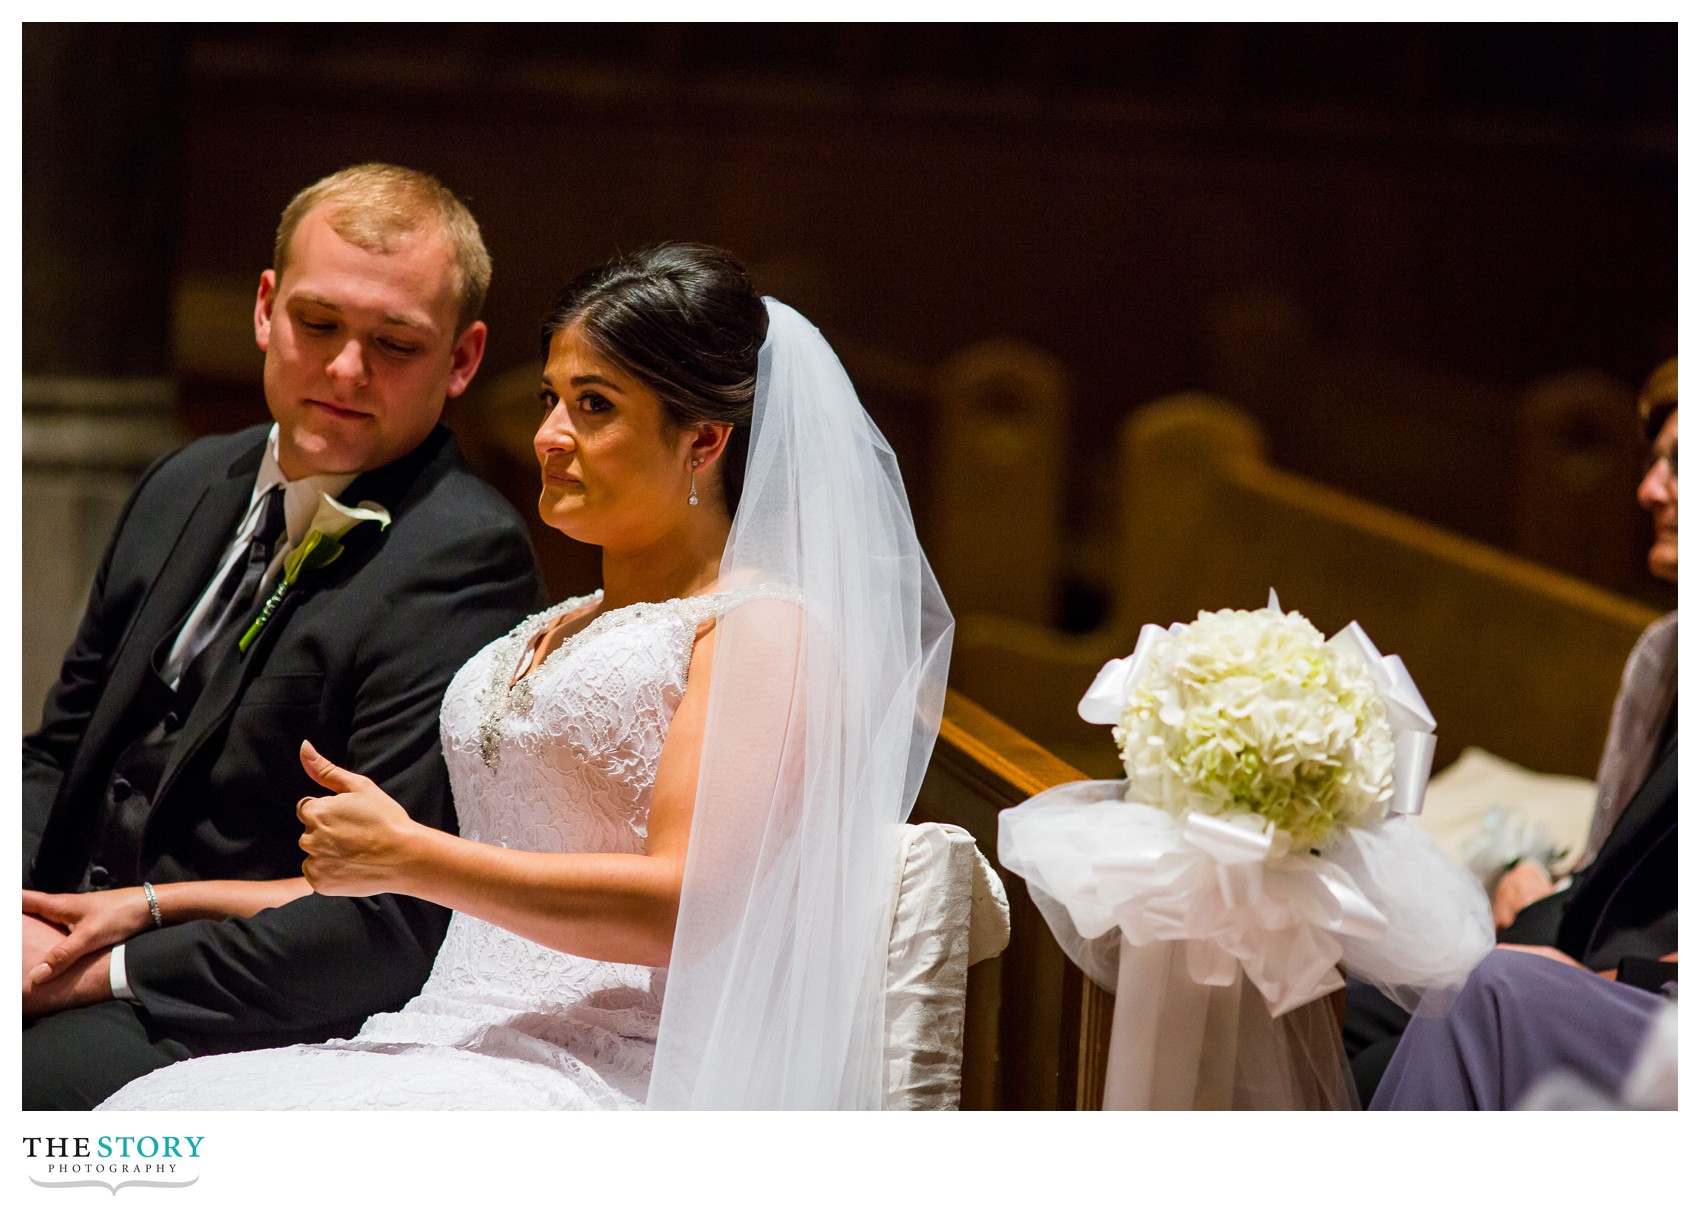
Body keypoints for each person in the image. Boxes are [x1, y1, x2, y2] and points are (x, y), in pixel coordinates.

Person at [97, 242, 954, 1110]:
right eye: (552, 398)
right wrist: (150, 903)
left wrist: (417, 855)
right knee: (152, 1117)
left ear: (702, 440)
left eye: (594, 406)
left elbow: (683, 904)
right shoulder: (560, 620)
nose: (548, 435)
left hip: (602, 1066)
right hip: (447, 1031)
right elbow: (454, 887)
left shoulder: (762, 628)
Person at [21, 164, 547, 1110]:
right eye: (319, 324)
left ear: (462, 361)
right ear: (266, 308)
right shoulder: (185, 481)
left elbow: (384, 924)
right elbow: (59, 754)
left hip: (212, 1010)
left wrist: (102, 967)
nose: (347, 369)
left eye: (394, 344)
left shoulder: (463, 558)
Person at [1347, 357, 1678, 1103]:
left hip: (1663, 1006)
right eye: (1654, 462)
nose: (1648, 490)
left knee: (1491, 992)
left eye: (1679, 464)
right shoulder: (1666, 654)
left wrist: (1619, 975)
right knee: (1331, 984)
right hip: (1596, 963)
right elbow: (1628, 861)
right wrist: (1549, 877)